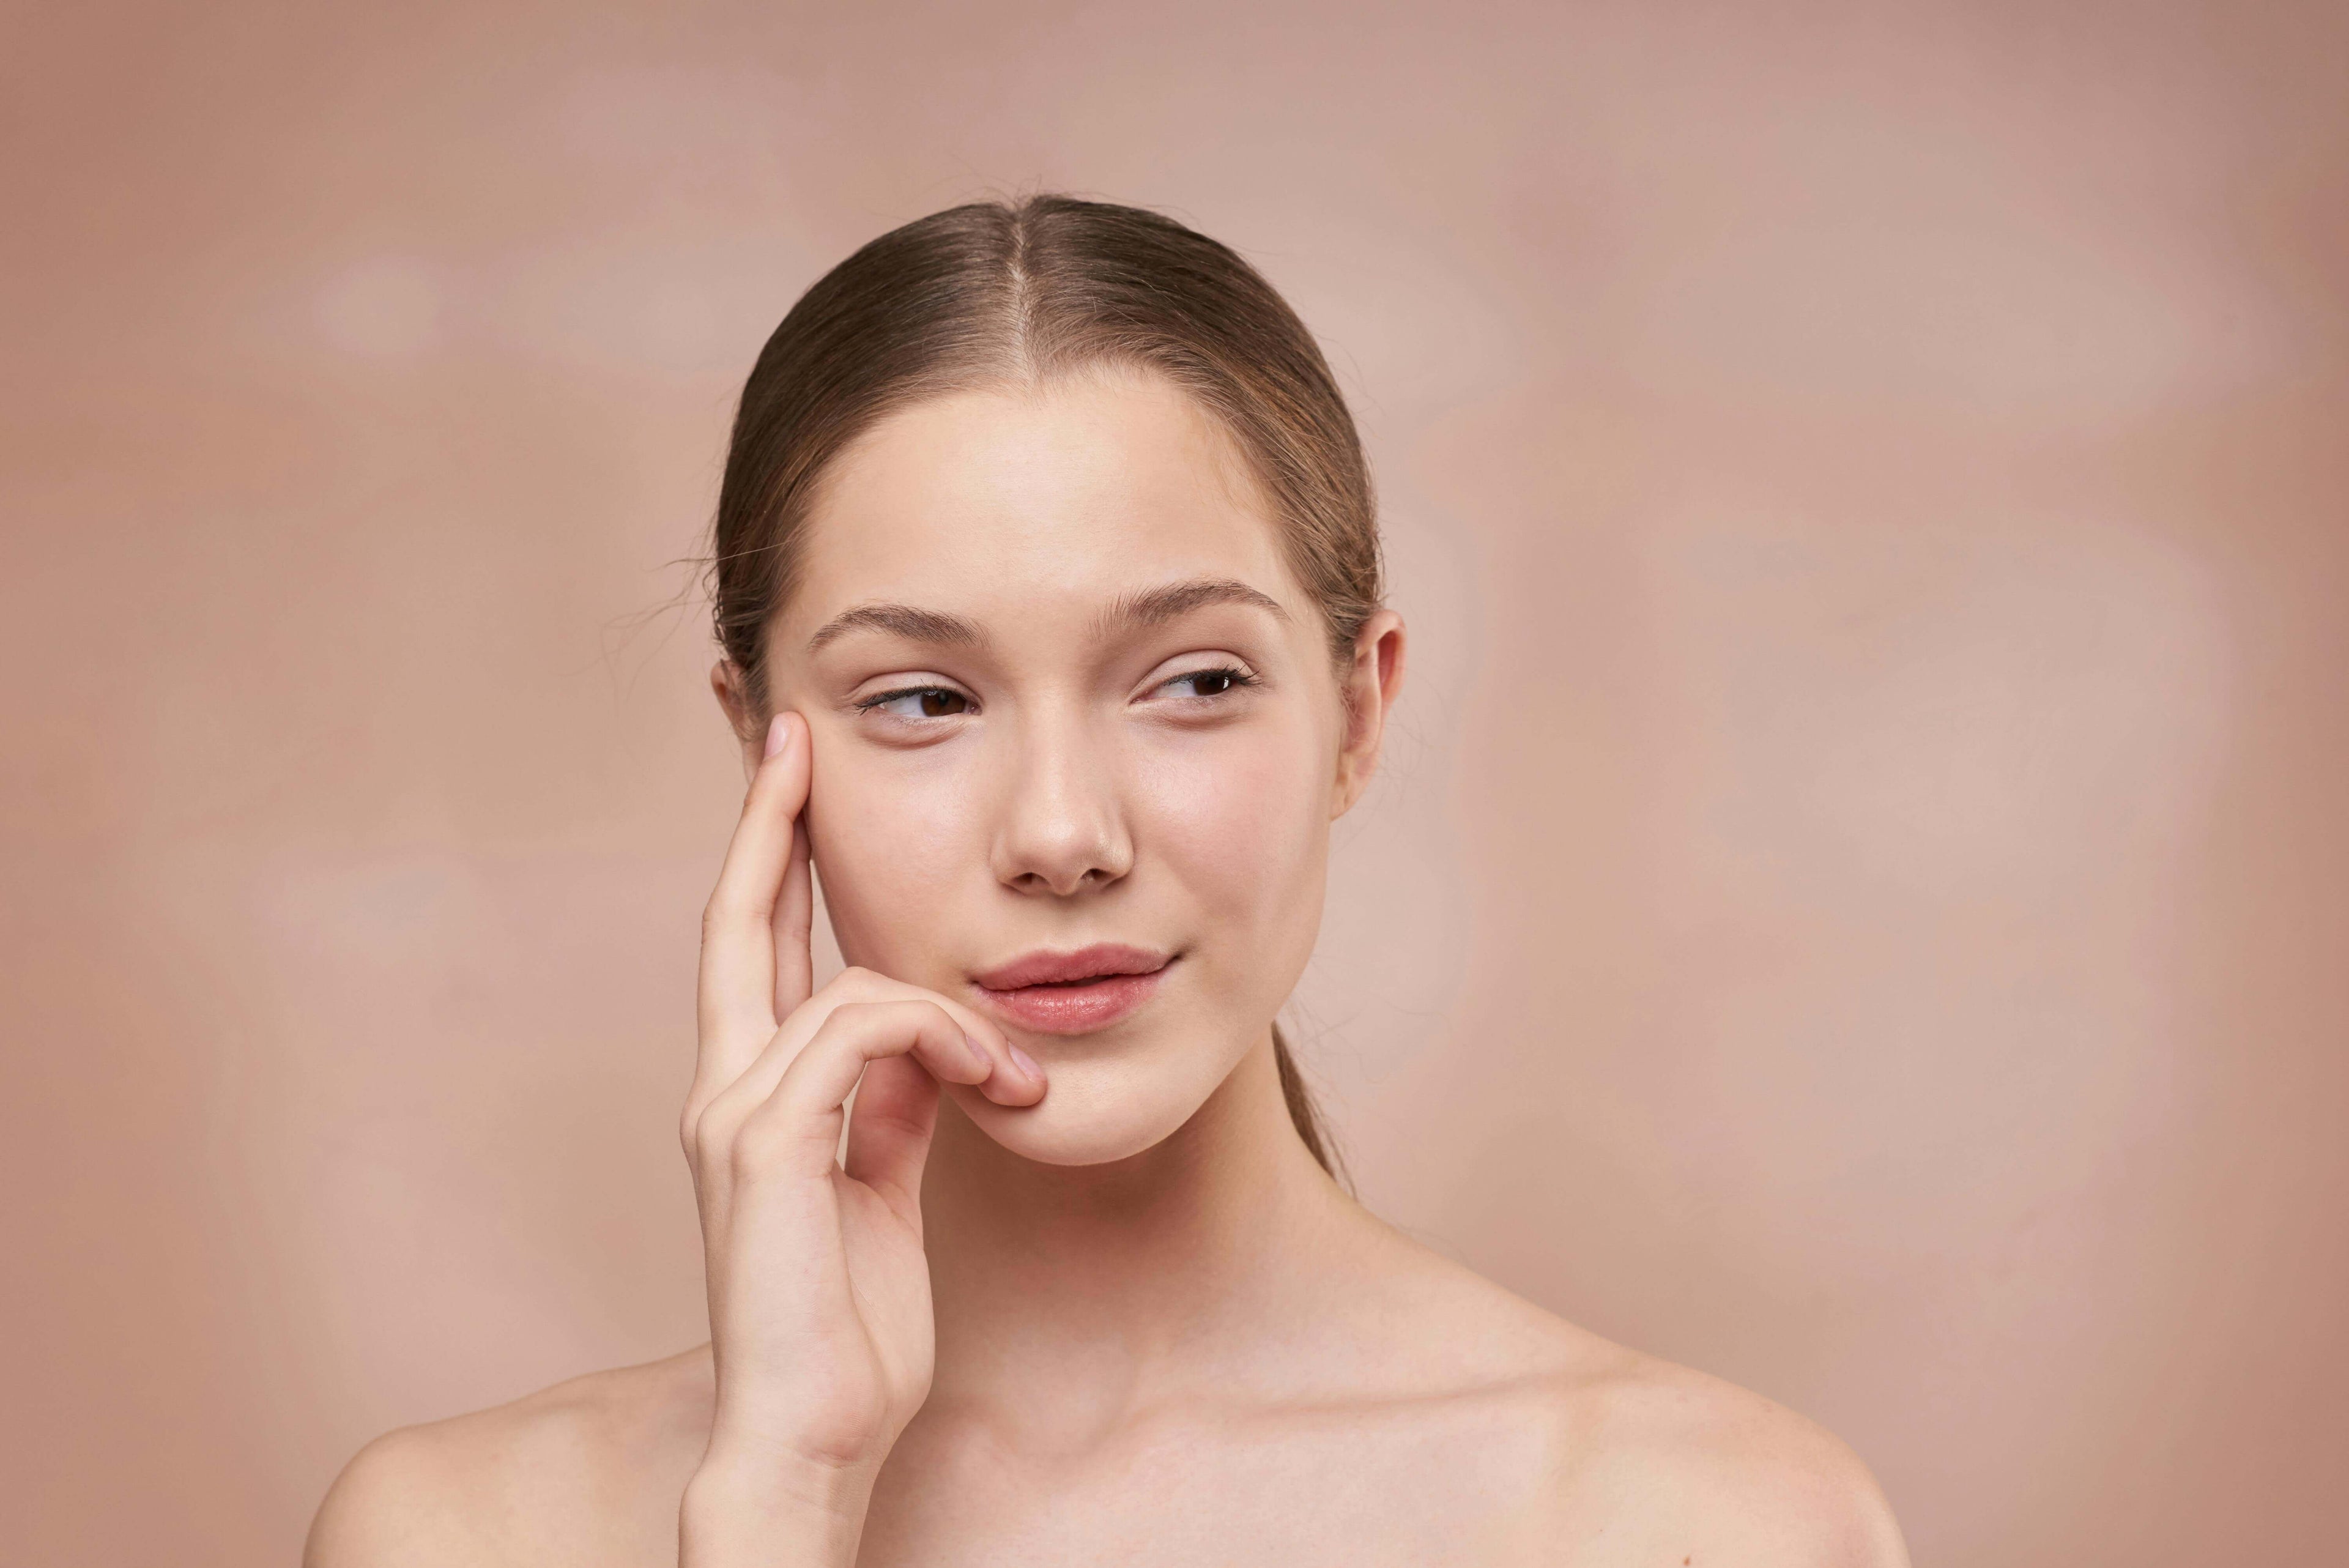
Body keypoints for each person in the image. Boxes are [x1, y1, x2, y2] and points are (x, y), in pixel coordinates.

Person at [304, 195, 1910, 1567]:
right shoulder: (463, 1530)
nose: (1063, 833)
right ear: (760, 744)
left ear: (1359, 709)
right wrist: (781, 1493)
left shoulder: (1701, 1521)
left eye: (1194, 680)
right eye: (924, 698)